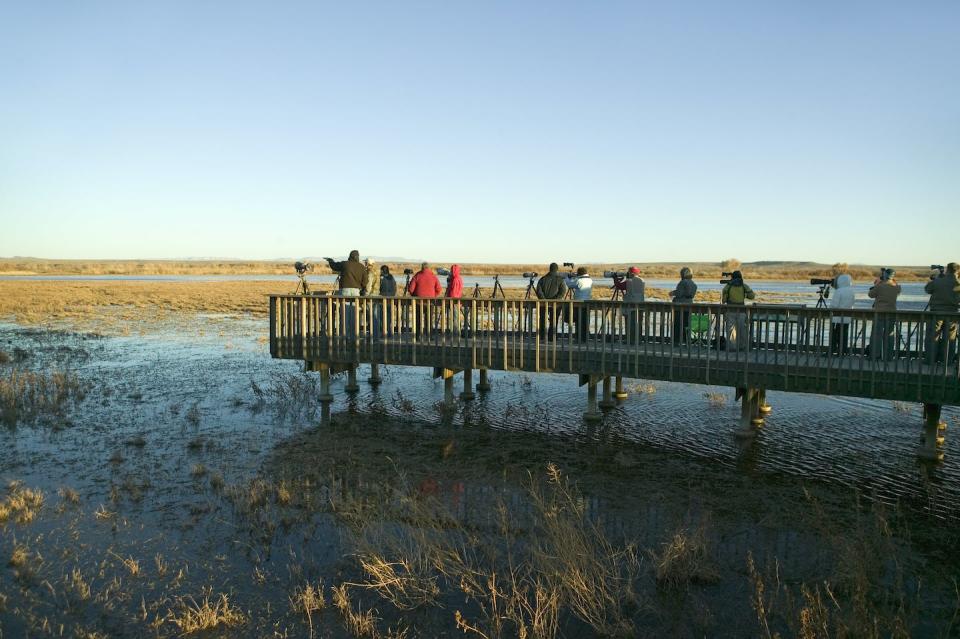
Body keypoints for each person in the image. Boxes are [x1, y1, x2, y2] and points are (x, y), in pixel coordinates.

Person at [924, 262, 960, 364]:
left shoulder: (939, 281)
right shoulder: (958, 283)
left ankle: (930, 360)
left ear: (947, 270)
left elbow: (927, 289)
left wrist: (937, 278)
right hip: (952, 314)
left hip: (936, 313)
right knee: (950, 338)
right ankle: (947, 361)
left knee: (932, 336)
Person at [325, 250, 367, 337]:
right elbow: (365, 281)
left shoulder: (345, 264)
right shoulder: (361, 267)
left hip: (345, 291)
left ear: (350, 256)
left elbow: (334, 266)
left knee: (344, 314)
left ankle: (344, 336)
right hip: (356, 292)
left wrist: (330, 261)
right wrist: (362, 289)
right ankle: (354, 336)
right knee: (354, 315)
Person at [868, 268, 901, 360]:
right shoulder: (896, 287)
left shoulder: (880, 286)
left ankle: (875, 355)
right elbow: (897, 290)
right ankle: (888, 356)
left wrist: (878, 283)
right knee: (889, 335)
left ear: (885, 275)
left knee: (876, 335)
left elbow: (870, 294)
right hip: (892, 313)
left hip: (879, 313)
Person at [721, 270, 755, 351]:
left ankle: (732, 348)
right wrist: (744, 294)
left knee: (731, 332)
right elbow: (752, 296)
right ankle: (743, 347)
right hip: (742, 311)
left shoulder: (727, 286)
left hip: (730, 311)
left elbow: (724, 300)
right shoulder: (744, 286)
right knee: (742, 331)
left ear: (732, 277)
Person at [407, 262, 442, 336]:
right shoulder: (433, 276)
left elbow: (411, 289)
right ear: (429, 268)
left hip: (418, 302)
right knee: (429, 320)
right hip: (430, 302)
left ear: (422, 267)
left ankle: (417, 336)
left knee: (418, 319)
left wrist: (414, 295)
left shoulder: (417, 276)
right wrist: (434, 295)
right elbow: (439, 289)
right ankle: (430, 336)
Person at [535, 263, 568, 338]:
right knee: (554, 320)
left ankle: (541, 336)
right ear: (557, 269)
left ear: (550, 269)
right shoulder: (560, 280)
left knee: (542, 319)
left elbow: (539, 291)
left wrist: (544, 300)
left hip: (543, 303)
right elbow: (562, 292)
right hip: (556, 304)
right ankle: (552, 337)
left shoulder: (542, 279)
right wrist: (555, 300)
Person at [828, 274, 856, 355]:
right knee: (844, 335)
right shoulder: (851, 291)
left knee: (835, 335)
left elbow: (834, 305)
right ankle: (843, 351)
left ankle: (832, 349)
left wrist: (830, 308)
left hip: (837, 318)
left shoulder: (839, 291)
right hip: (847, 317)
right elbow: (852, 303)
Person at [670, 267, 698, 345]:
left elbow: (679, 293)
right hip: (689, 305)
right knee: (686, 325)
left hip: (679, 306)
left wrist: (672, 293)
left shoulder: (683, 282)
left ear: (683, 274)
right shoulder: (693, 284)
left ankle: (676, 341)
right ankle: (686, 341)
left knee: (678, 324)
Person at [565, 267, 593, 342]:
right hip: (587, 303)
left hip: (578, 304)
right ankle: (585, 338)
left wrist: (567, 278)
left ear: (579, 273)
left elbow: (570, 285)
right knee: (585, 321)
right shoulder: (590, 280)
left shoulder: (579, 280)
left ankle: (578, 337)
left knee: (578, 321)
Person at [621, 267, 645, 344]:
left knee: (630, 325)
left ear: (631, 273)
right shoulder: (642, 280)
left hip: (630, 306)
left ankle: (630, 340)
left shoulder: (629, 282)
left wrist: (616, 279)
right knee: (639, 325)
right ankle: (638, 340)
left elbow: (619, 286)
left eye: (628, 272)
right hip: (640, 305)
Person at [444, 264, 463, 334]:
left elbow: (453, 292)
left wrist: (448, 298)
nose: (450, 272)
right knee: (456, 317)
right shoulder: (458, 278)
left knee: (455, 318)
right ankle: (457, 333)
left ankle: (456, 334)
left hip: (454, 301)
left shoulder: (455, 280)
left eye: (451, 271)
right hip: (457, 301)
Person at [379, 265, 398, 334]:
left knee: (381, 316)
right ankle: (389, 331)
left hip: (383, 299)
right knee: (389, 316)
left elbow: (380, 287)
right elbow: (395, 288)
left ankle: (383, 331)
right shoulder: (391, 277)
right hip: (391, 299)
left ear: (382, 270)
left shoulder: (382, 277)